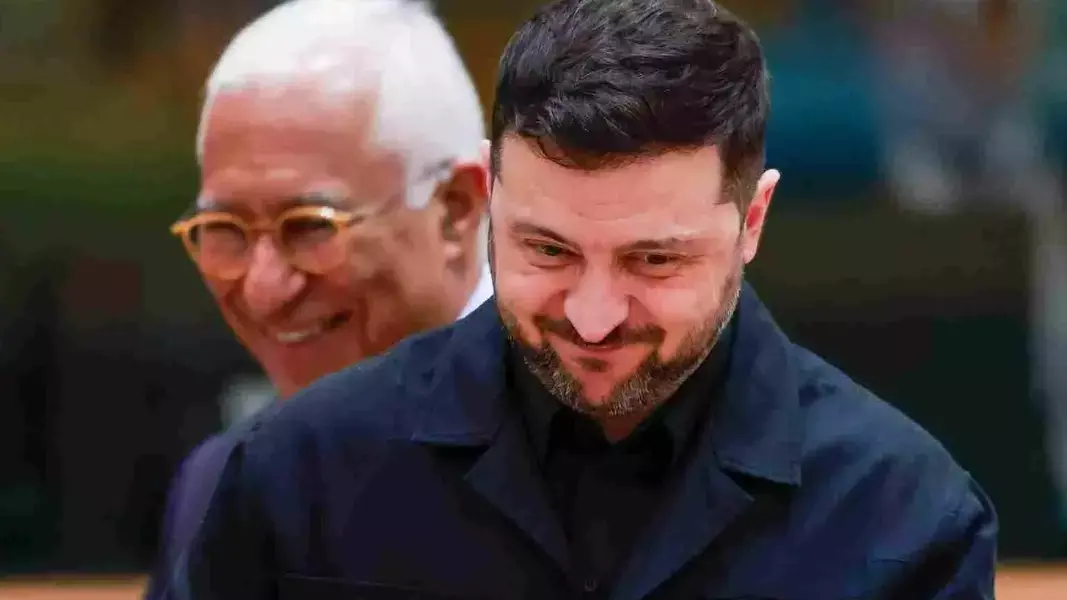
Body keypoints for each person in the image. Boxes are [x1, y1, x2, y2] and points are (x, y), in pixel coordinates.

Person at [150, 1, 997, 598]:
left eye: (653, 261)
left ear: (752, 221)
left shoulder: (905, 519)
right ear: (488, 199)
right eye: (546, 251)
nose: (592, 316)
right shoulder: (296, 476)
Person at [144, 0, 491, 594]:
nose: (263, 290)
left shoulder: (591, 457)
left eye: (308, 226)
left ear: (455, 209)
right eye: (226, 229)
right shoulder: (221, 484)